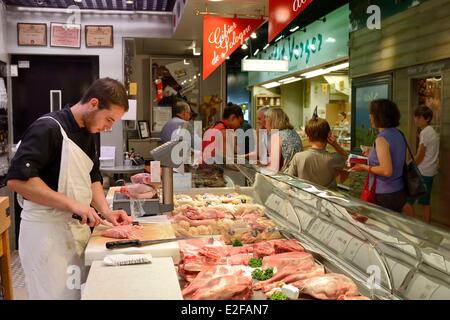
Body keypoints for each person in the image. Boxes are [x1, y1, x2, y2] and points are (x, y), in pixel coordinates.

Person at [6, 78, 133, 299]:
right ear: (94, 103)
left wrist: (107, 211)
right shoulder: (48, 127)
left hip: (74, 232)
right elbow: (18, 180)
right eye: (109, 119)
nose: (109, 127)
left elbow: (92, 177)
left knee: (74, 295)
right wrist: (73, 204)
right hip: (45, 236)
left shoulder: (87, 133)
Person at [352, 99, 407, 212]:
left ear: (379, 116)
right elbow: (393, 156)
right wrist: (372, 153)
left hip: (385, 193)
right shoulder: (399, 134)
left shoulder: (382, 138)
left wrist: (364, 167)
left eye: (371, 113)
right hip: (399, 189)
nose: (369, 117)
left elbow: (387, 171)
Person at [288, 117, 348, 189]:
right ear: (328, 136)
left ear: (308, 137)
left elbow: (289, 181)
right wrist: (335, 144)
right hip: (327, 198)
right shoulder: (333, 158)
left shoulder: (298, 157)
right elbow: (346, 157)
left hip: (305, 197)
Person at [403, 106, 440, 223]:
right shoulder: (433, 132)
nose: (416, 120)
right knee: (426, 202)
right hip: (430, 171)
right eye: (416, 117)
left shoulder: (425, 132)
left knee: (407, 201)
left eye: (419, 118)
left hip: (422, 172)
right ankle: (426, 229)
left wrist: (409, 165)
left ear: (427, 118)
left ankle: (414, 229)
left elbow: (420, 155)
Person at [262, 107, 302, 173]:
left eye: (266, 122)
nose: (265, 125)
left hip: (286, 178)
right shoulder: (293, 132)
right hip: (298, 176)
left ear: (272, 122)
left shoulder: (276, 136)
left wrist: (259, 170)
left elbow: (273, 169)